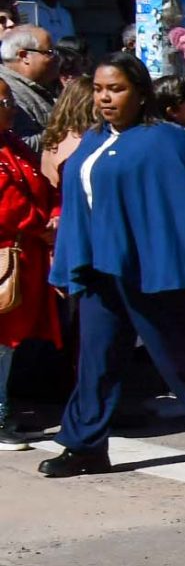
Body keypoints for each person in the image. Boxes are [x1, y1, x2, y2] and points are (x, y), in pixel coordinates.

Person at [38, 54, 185, 476]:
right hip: (99, 270)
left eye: (116, 89)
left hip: (150, 269)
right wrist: (66, 262)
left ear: (140, 93)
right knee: (96, 359)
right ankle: (84, 445)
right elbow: (78, 206)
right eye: (99, 90)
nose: (105, 98)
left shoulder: (165, 139)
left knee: (178, 355)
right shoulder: (93, 139)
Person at [0, 110, 62, 448]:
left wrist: (54, 214)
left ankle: (4, 411)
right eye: (2, 101)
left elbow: (43, 185)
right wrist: (41, 225)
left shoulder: (12, 143)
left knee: (9, 345)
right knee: (1, 343)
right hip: (9, 253)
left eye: (8, 99)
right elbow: (7, 206)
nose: (9, 107)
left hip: (25, 255)